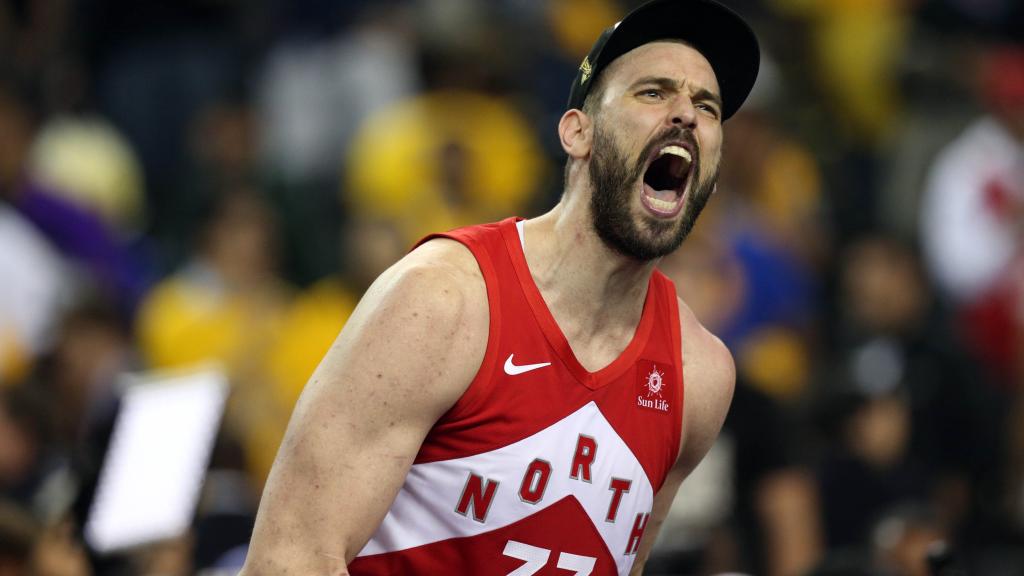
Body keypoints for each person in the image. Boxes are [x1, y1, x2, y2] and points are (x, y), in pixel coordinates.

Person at [240, 0, 760, 574]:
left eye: (706, 105)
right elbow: (289, 557)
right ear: (577, 132)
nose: (686, 114)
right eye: (653, 92)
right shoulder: (441, 300)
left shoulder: (699, 375)